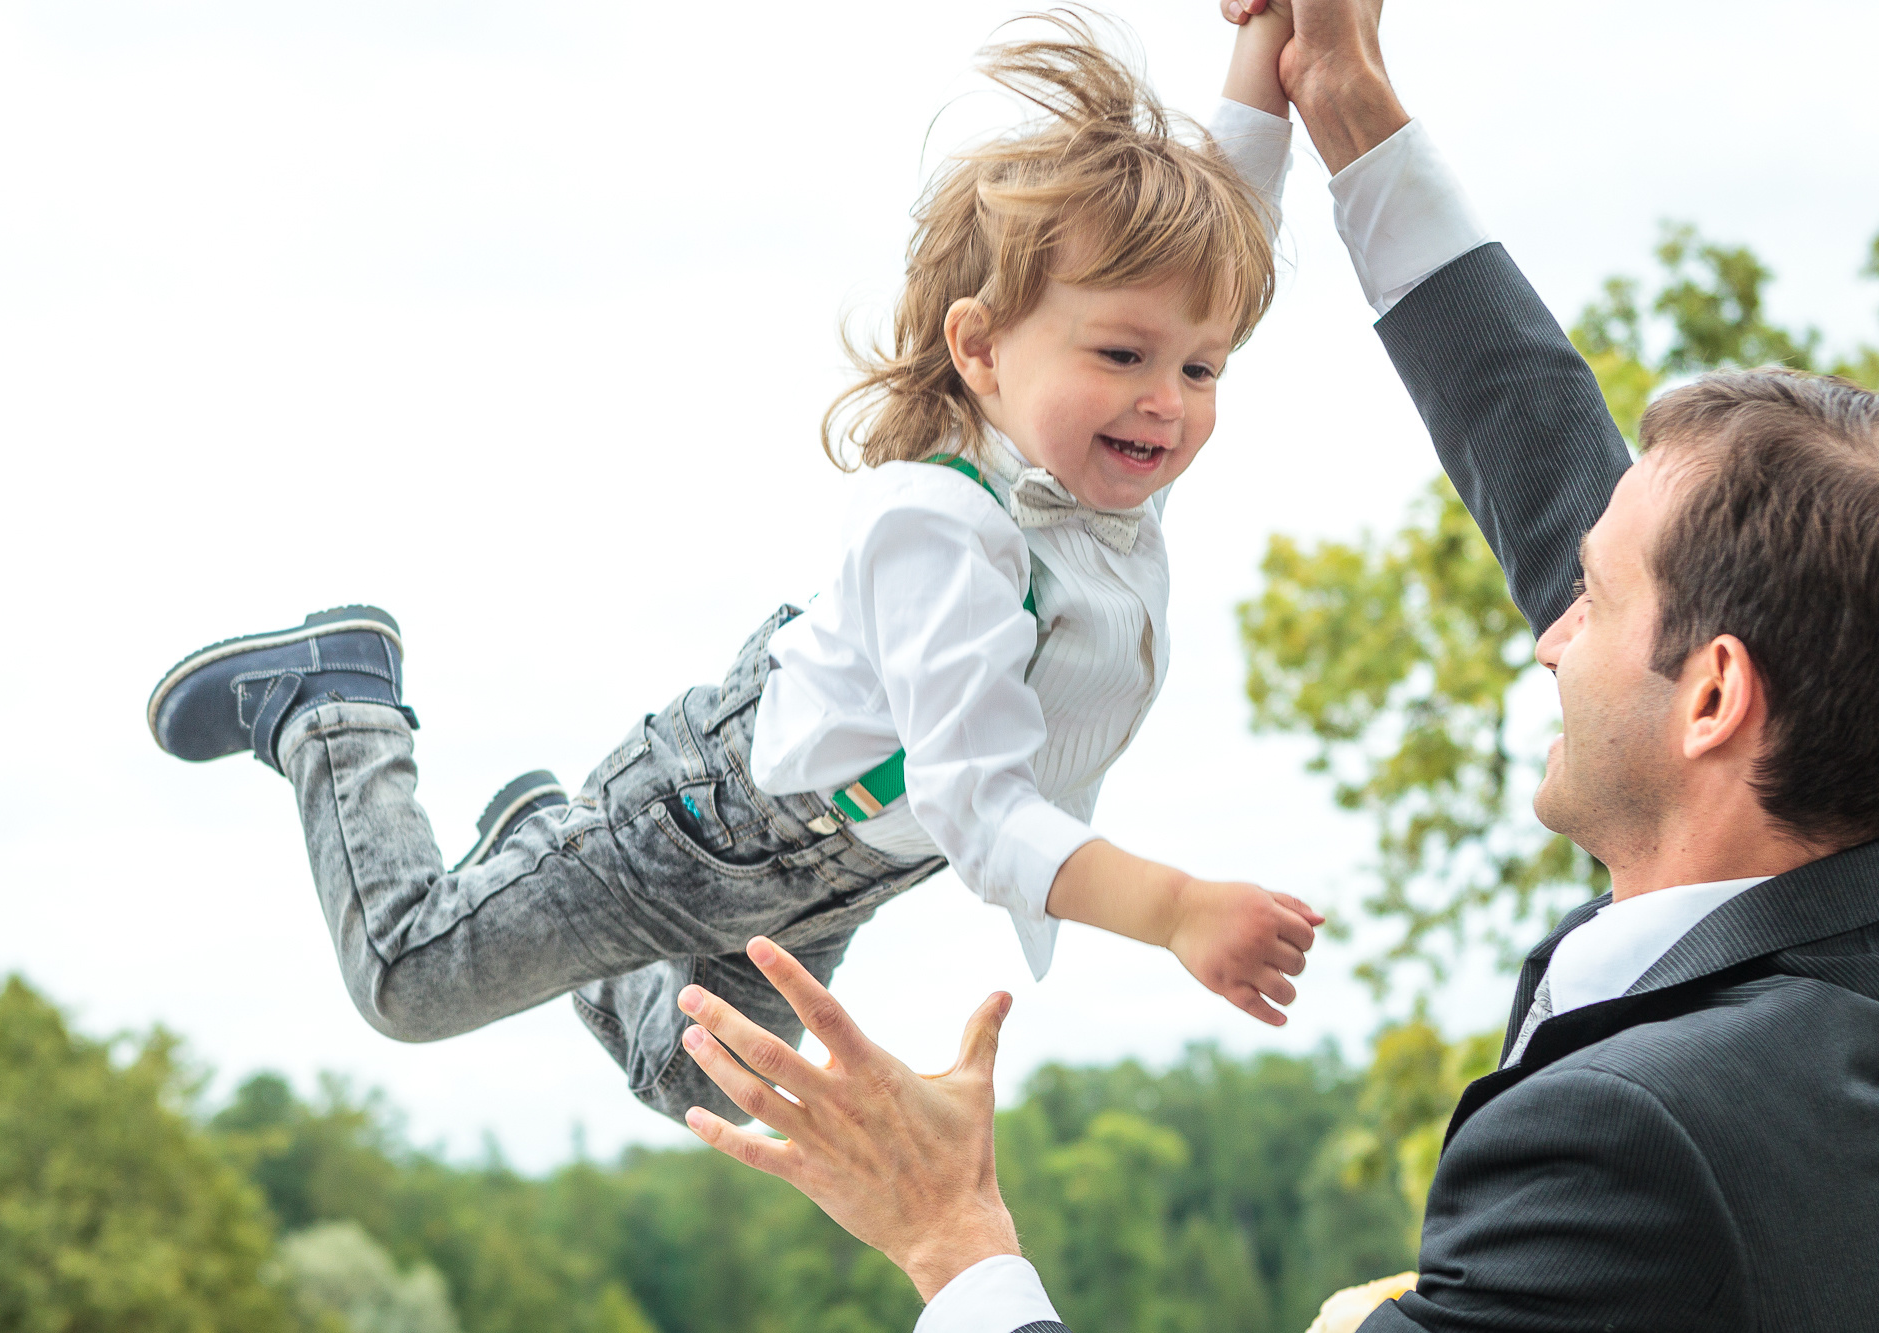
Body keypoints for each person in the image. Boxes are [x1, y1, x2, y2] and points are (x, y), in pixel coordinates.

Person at [666, 2, 1879, 1329]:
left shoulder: (1635, 1146)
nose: (1548, 628)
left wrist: (953, 1240)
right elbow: (1548, 462)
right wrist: (1347, 105)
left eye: (1589, 599)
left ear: (1711, 699)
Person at [143, 12, 1323, 1126]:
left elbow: (1232, 217)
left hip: (841, 868)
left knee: (701, 1091)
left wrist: (1271, 37)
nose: (1165, 401)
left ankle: (537, 832)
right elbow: (977, 803)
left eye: (1202, 369)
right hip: (711, 822)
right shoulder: (940, 531)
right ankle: (334, 706)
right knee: (405, 976)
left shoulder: (1106, 474)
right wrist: (1172, 909)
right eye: (1123, 354)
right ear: (979, 347)